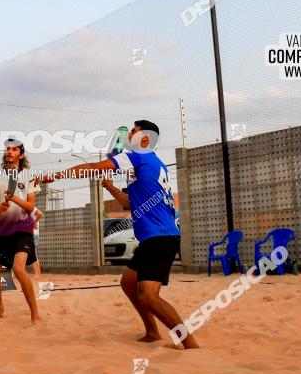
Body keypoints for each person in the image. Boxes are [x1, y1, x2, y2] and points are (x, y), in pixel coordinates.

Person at [43, 120, 199, 349]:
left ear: (145, 138)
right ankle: (153, 332)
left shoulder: (137, 155)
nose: (130, 134)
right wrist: (108, 186)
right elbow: (129, 203)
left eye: (134, 131)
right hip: (153, 238)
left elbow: (95, 167)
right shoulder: (153, 163)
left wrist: (56, 175)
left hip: (161, 237)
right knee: (128, 283)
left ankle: (191, 345)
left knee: (148, 295)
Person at [0, 138, 41, 324]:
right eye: (7, 149)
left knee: (19, 270)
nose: (9, 151)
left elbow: (31, 206)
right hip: (3, 232)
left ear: (21, 154)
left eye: (14, 149)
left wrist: (15, 198)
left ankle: (35, 314)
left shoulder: (28, 176)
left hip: (22, 230)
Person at [31, 207, 43, 279]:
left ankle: (38, 274)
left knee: (33, 254)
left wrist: (33, 222)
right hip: (33, 233)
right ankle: (38, 274)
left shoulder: (32, 207)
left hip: (32, 234)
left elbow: (40, 214)